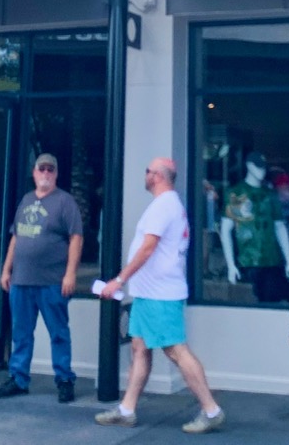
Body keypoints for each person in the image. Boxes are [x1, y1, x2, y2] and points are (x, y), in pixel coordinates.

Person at [96, 157, 225, 434]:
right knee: (140, 348)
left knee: (176, 350)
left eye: (146, 171)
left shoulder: (164, 206)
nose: (144, 175)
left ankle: (211, 410)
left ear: (157, 176)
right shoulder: (169, 205)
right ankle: (127, 410)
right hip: (150, 293)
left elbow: (147, 249)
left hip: (160, 295)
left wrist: (118, 280)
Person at [0, 153, 83, 403]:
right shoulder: (25, 200)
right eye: (41, 169)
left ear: (56, 174)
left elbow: (76, 237)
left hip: (52, 281)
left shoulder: (65, 202)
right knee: (21, 333)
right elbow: (16, 237)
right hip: (21, 280)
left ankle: (64, 380)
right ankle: (18, 378)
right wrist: (6, 269)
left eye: (50, 169)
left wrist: (70, 274)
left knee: (58, 333)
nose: (45, 173)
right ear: (34, 173)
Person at [219, 152, 289, 301]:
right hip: (245, 261)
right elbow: (225, 230)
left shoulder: (271, 195)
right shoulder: (235, 193)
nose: (261, 171)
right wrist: (231, 264)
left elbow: (280, 227)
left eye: (263, 168)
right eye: (257, 167)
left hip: (272, 261)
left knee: (271, 304)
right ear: (249, 166)